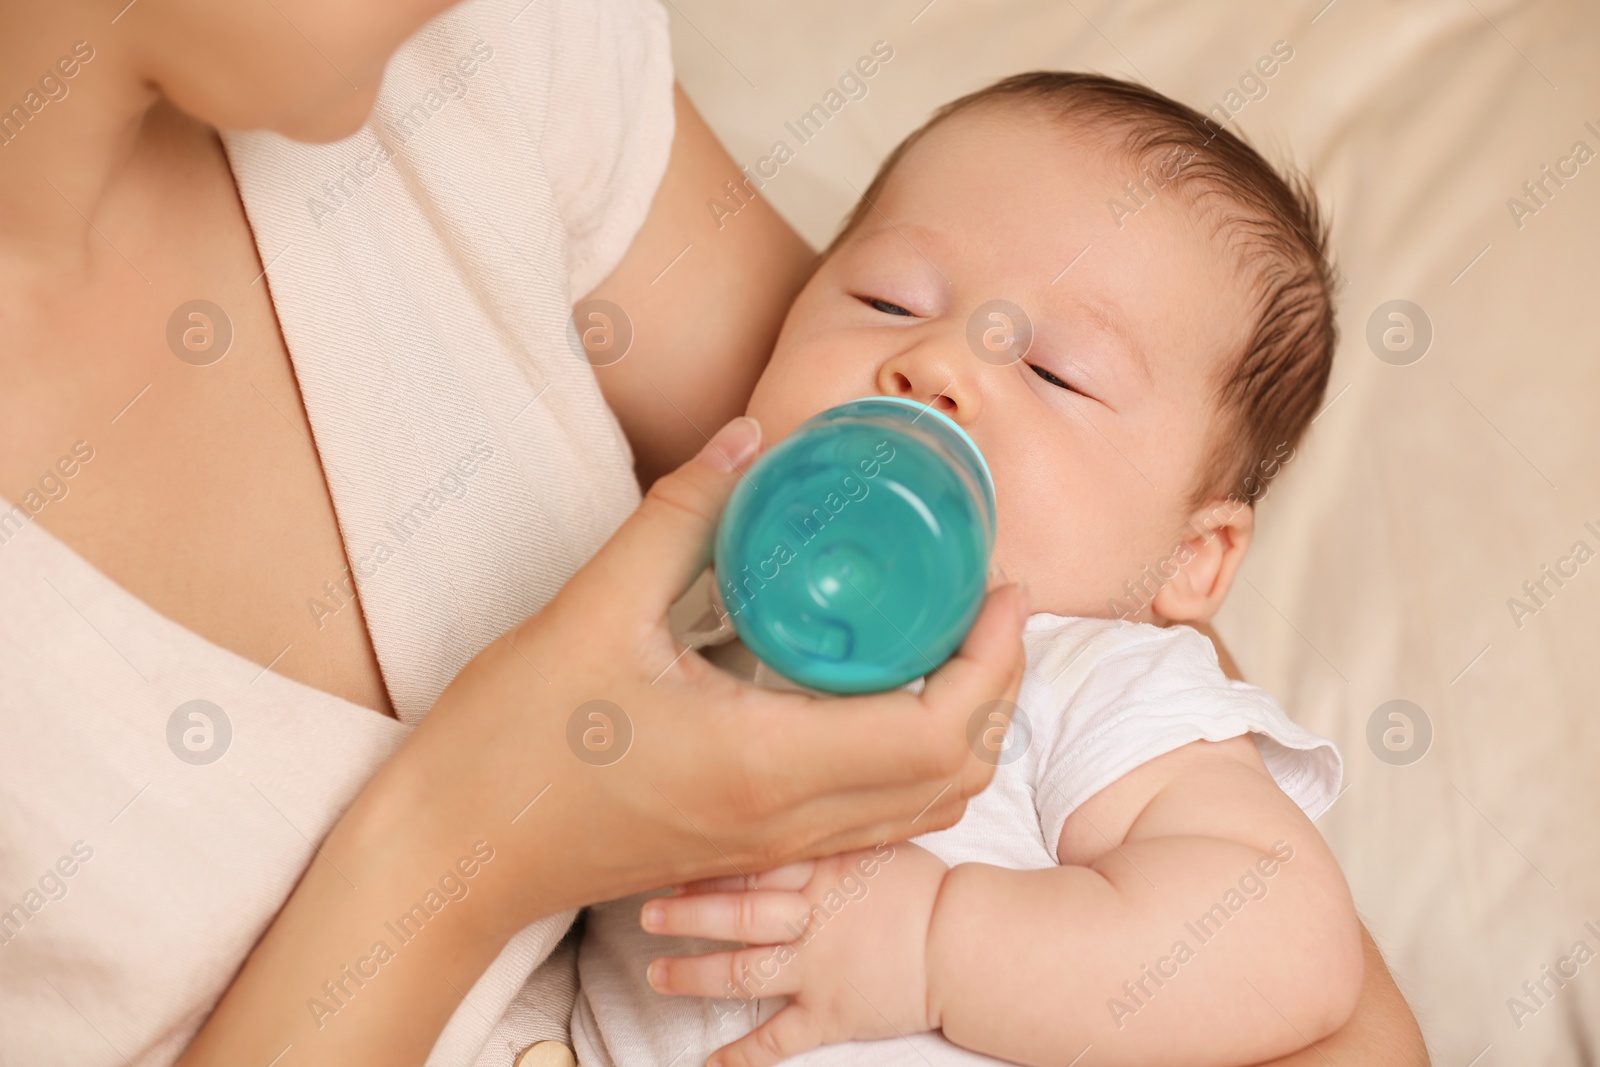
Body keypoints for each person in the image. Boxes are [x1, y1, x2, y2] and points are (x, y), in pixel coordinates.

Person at [0, 1, 1426, 1065]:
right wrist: (483, 832)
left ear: (1194, 566)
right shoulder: (712, 599)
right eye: (884, 300)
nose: (936, 366)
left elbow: (1286, 945)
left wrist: (942, 948)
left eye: (1054, 375)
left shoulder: (1100, 685)